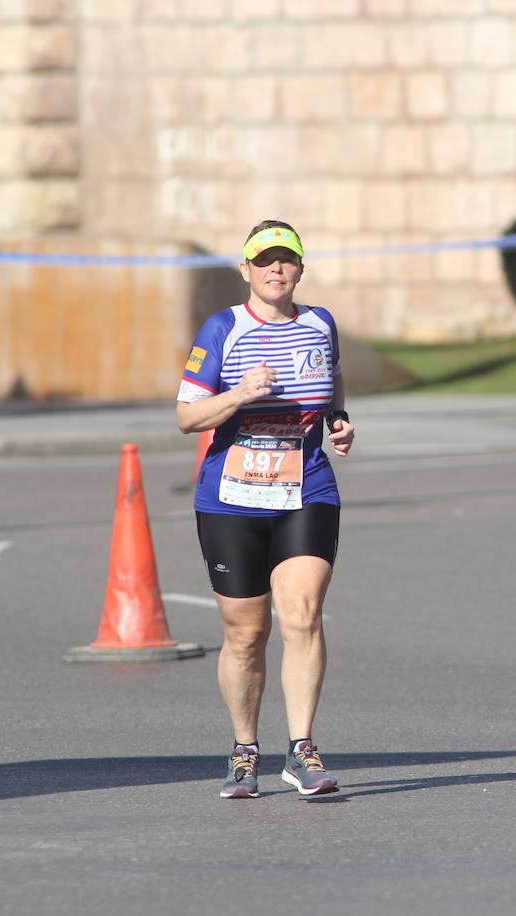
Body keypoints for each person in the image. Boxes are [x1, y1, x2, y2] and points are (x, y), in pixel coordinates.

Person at [176, 219, 355, 800]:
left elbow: (333, 379)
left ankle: (302, 750)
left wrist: (336, 421)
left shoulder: (319, 324)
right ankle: (244, 749)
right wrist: (239, 395)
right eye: (265, 260)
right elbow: (187, 417)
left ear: (301, 268)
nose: (277, 269)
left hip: (306, 488)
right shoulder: (223, 328)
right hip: (231, 498)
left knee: (302, 615)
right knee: (245, 633)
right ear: (246, 269)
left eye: (287, 260)